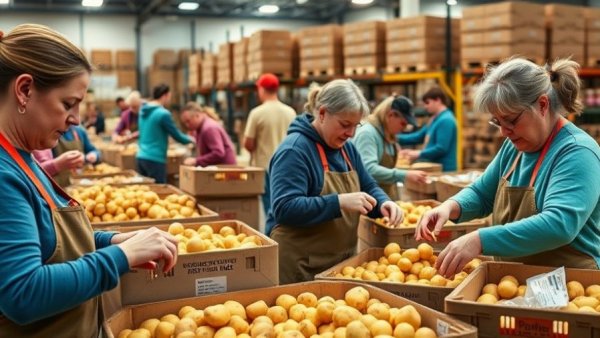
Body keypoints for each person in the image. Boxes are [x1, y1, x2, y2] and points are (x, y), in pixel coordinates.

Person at [0, 23, 177, 337]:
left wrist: (110, 241)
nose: (77, 120)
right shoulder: (4, 175)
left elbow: (47, 240)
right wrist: (121, 257)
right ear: (25, 90)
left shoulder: (23, 157)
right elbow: (23, 294)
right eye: (68, 104)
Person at [415, 57, 600, 277]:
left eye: (511, 120)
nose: (503, 131)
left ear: (542, 105)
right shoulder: (515, 148)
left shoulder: (577, 152)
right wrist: (449, 207)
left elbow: (559, 224)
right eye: (497, 122)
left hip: (572, 288)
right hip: (519, 283)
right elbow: (483, 193)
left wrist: (479, 240)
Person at [267, 79, 403, 284]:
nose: (351, 134)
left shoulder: (347, 149)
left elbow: (368, 186)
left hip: (340, 265)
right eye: (345, 124)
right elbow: (284, 207)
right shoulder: (294, 151)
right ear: (322, 114)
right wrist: (339, 202)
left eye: (355, 126)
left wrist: (384, 203)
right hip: (301, 267)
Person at [353, 96, 428, 199]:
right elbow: (369, 169)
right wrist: (404, 175)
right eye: (403, 124)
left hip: (383, 198)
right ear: (391, 115)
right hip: (369, 200)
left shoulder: (387, 135)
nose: (404, 128)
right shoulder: (368, 134)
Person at [243, 73, 296, 214]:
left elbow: (248, 143)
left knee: (270, 208)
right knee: (285, 203)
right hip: (288, 166)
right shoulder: (290, 112)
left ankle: (270, 234)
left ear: (261, 89)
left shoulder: (257, 113)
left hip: (266, 167)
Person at [136, 84, 193, 183]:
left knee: (145, 192)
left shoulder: (143, 111)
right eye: (169, 96)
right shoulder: (163, 114)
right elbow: (176, 134)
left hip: (141, 157)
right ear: (164, 96)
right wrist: (190, 139)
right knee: (160, 191)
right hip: (155, 158)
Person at [397, 86, 457, 171]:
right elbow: (419, 136)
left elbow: (441, 148)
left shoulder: (446, 120)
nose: (425, 106)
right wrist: (395, 137)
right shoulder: (434, 119)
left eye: (427, 102)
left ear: (438, 100)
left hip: (444, 171)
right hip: (433, 167)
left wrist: (418, 153)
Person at [181, 102, 236, 167]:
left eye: (188, 121)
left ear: (197, 115)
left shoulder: (209, 128)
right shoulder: (199, 129)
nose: (187, 125)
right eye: (185, 123)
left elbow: (218, 153)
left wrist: (196, 161)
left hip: (225, 170)